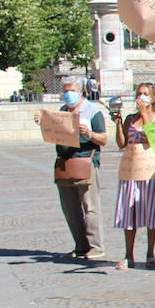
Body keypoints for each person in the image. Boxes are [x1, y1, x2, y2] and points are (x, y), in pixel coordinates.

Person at [34, 76, 108, 260]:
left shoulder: (92, 111)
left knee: (90, 207)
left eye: (72, 90)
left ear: (81, 91)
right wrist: (42, 122)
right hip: (64, 162)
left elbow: (104, 139)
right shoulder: (62, 111)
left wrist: (89, 133)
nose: (68, 94)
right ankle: (81, 245)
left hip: (85, 162)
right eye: (66, 90)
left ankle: (96, 246)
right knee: (70, 207)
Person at [112, 83, 155, 270]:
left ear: (152, 97)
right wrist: (119, 124)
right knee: (129, 213)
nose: (141, 97)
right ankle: (129, 254)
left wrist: (145, 113)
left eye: (145, 94)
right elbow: (121, 143)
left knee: (152, 211)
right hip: (131, 169)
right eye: (138, 94)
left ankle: (150, 253)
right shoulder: (131, 118)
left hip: (151, 171)